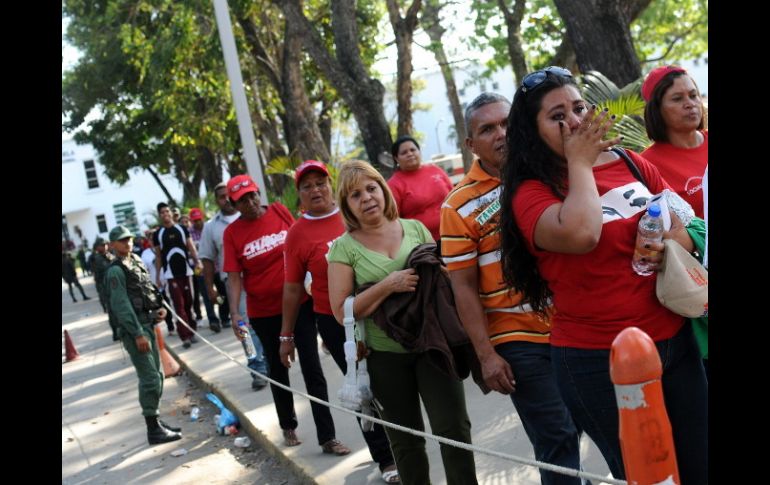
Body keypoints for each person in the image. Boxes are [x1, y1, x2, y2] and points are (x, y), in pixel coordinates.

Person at [498, 66, 707, 483]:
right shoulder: (529, 191)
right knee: (647, 475)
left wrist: (662, 242)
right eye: (557, 117)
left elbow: (685, 229)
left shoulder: (631, 162)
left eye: (578, 108)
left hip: (674, 341)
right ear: (532, 131)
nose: (575, 122)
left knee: (699, 466)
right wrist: (580, 162)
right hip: (597, 359)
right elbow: (582, 233)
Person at [440, 92, 582, 485]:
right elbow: (463, 288)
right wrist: (486, 356)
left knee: (587, 426)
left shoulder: (551, 173)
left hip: (576, 323)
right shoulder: (457, 206)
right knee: (558, 438)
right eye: (487, 129)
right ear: (471, 145)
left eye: (506, 123)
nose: (501, 134)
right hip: (517, 337)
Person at [327, 161, 477, 485]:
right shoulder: (343, 248)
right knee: (406, 443)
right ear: (347, 205)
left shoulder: (414, 229)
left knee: (454, 430)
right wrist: (387, 285)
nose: (366, 197)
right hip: (384, 359)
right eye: (355, 194)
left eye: (371, 188)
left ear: (383, 189)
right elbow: (341, 311)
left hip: (433, 346)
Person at [280, 160, 399, 483]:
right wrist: (286, 335)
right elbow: (292, 288)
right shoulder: (297, 234)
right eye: (307, 186)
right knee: (363, 384)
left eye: (320, 183)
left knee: (394, 380)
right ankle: (386, 459)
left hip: (383, 308)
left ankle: (405, 445)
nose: (315, 190)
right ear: (299, 194)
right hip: (338, 320)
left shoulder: (353, 213)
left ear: (331, 185)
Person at [222, 174, 348, 454]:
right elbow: (233, 277)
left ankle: (327, 437)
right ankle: (288, 424)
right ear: (234, 205)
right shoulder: (232, 234)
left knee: (313, 369)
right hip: (264, 313)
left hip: (301, 305)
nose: (252, 202)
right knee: (279, 370)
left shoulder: (279, 211)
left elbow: (301, 244)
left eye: (253, 195)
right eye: (243, 200)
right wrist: (234, 313)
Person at [104, 225, 182, 445]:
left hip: (147, 323)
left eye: (129, 239)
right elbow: (121, 305)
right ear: (112, 245)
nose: (127, 243)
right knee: (149, 378)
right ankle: (153, 429)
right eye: (121, 240)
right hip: (135, 330)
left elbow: (146, 289)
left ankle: (156, 421)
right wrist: (137, 333)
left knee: (156, 375)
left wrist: (158, 309)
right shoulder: (115, 270)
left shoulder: (135, 260)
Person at [199, 182, 268, 390]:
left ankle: (271, 360)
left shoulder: (253, 215)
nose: (224, 200)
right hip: (234, 283)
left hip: (259, 277)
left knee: (265, 323)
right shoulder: (211, 227)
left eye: (225, 195)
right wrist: (210, 286)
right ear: (220, 201)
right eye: (220, 197)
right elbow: (208, 259)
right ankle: (256, 366)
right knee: (244, 326)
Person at [641, 65, 708, 218]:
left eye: (693, 95)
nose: (690, 104)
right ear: (656, 110)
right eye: (677, 99)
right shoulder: (646, 165)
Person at [153, 202, 202, 348]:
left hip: (186, 272)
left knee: (189, 303)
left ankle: (192, 332)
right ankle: (185, 336)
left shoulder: (182, 229)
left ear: (170, 212)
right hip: (171, 275)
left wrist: (197, 262)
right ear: (160, 215)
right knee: (178, 306)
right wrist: (157, 277)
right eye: (162, 212)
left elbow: (191, 247)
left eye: (167, 211)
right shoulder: (158, 234)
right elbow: (159, 256)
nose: (165, 214)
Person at [387, 135, 453, 241]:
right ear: (396, 158)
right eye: (404, 152)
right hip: (424, 243)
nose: (410, 154)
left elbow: (455, 196)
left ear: (419, 151)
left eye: (413, 150)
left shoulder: (435, 169)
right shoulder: (393, 184)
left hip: (455, 232)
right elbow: (393, 220)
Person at [188, 207, 220, 328]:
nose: (197, 222)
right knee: (207, 296)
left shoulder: (209, 228)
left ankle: (224, 315)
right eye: (195, 220)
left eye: (199, 219)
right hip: (200, 271)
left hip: (216, 267)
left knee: (222, 294)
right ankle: (213, 320)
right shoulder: (189, 233)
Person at [91, 237, 120, 341]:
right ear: (97, 247)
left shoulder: (110, 256)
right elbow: (98, 277)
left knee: (119, 309)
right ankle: (116, 333)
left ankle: (121, 330)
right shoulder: (96, 259)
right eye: (102, 245)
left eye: (105, 244)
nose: (104, 246)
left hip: (115, 286)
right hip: (105, 289)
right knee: (112, 312)